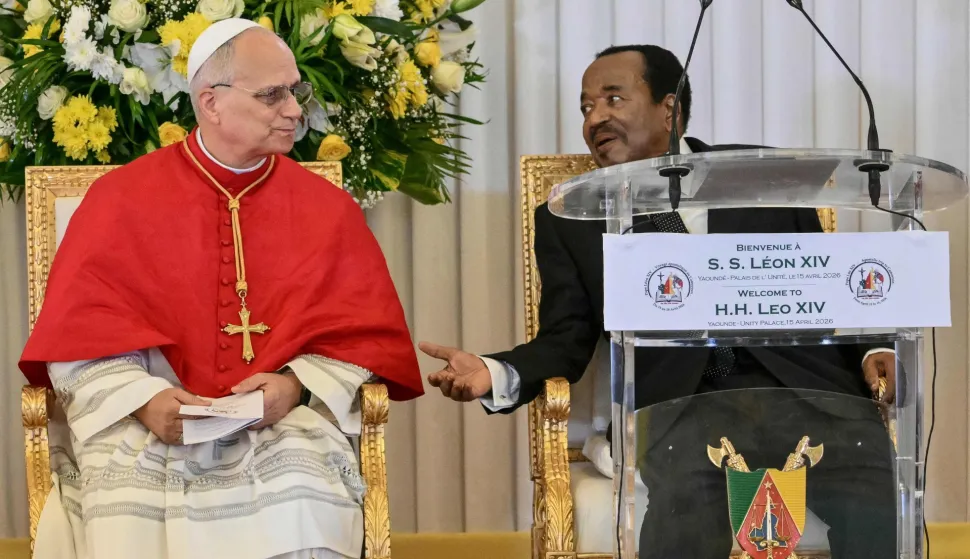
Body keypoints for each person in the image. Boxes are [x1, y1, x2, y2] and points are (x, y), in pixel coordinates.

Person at [419, 45, 896, 558]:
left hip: (805, 393)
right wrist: (496, 371)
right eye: (585, 107)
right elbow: (566, 338)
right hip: (682, 405)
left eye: (612, 99)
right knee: (686, 512)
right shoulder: (572, 217)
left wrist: (873, 352)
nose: (594, 118)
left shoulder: (757, 175)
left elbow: (825, 284)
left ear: (668, 110)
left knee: (876, 497)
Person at [19, 19, 423, 559]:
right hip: (147, 422)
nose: (295, 109)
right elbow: (79, 341)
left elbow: (364, 339)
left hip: (281, 425)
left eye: (296, 91)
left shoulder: (329, 210)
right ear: (211, 102)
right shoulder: (120, 201)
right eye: (272, 94)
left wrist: (294, 386)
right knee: (124, 515)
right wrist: (147, 401)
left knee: (305, 500)